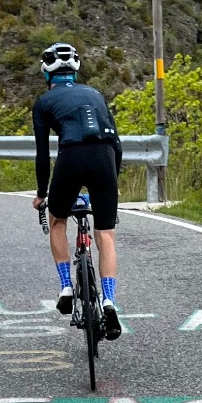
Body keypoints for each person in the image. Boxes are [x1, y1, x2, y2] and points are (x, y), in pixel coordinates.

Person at [31, 40, 123, 341]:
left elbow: (43, 154)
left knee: (58, 220)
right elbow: (117, 143)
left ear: (47, 73)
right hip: (105, 158)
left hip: (71, 156)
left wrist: (42, 194)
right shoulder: (95, 94)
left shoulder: (43, 103)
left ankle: (66, 286)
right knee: (105, 233)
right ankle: (108, 299)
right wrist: (113, 182)